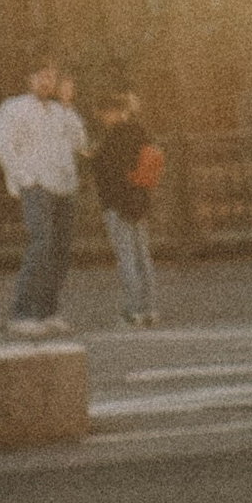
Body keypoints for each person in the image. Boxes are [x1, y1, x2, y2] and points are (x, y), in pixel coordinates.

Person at [0, 58, 87, 339]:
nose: (47, 82)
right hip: (37, 185)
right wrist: (25, 178)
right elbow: (5, 146)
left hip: (63, 185)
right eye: (41, 76)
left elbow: (80, 142)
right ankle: (23, 312)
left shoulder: (61, 111)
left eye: (51, 77)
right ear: (29, 79)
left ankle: (48, 310)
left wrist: (69, 107)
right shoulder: (13, 108)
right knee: (41, 244)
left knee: (60, 250)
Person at [88, 90, 162, 328]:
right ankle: (150, 309)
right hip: (139, 200)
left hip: (116, 203)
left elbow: (105, 172)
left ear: (109, 113)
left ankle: (133, 310)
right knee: (142, 255)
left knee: (126, 257)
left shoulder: (110, 139)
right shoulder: (141, 133)